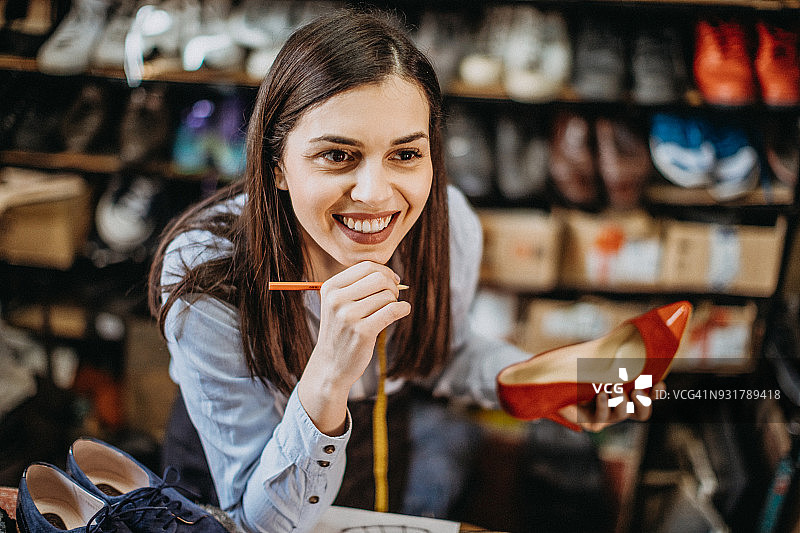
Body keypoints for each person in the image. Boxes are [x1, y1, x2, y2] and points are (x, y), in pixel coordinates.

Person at [148, 8, 655, 532]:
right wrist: (328, 375)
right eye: (338, 155)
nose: (375, 194)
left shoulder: (448, 224)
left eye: (406, 154)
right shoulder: (208, 273)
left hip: (371, 446)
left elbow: (441, 353)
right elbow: (261, 522)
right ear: (277, 164)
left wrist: (543, 383)